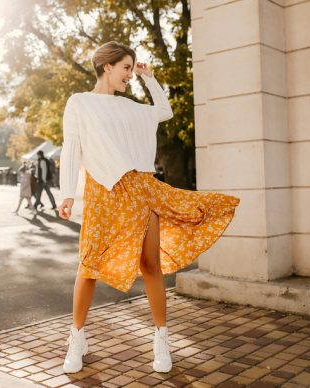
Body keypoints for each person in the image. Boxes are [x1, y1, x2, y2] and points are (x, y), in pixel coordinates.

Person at [57, 41, 240, 374]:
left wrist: (149, 78)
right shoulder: (79, 103)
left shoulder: (131, 107)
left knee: (149, 265)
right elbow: (71, 147)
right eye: (126, 67)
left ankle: (161, 338)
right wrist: (67, 193)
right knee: (89, 266)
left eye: (132, 67)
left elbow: (165, 111)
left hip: (140, 191)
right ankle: (77, 338)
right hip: (102, 192)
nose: (129, 73)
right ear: (106, 66)